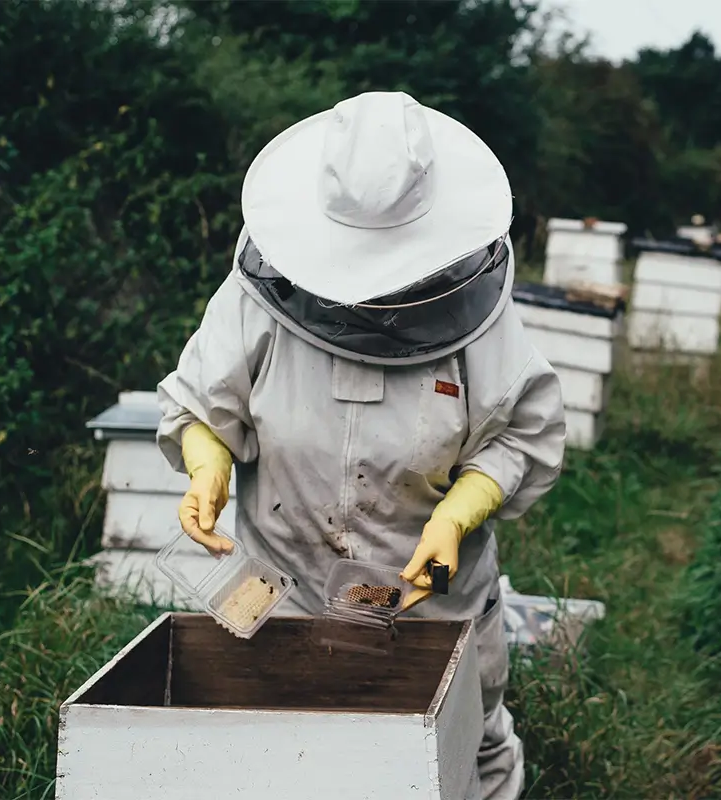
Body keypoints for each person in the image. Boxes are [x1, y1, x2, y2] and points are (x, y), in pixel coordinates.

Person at [157, 91, 566, 800]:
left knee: (462, 752)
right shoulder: (258, 296)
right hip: (278, 588)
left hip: (426, 599)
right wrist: (207, 464)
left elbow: (519, 437)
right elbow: (204, 401)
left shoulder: (483, 323)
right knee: (286, 759)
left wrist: (456, 517)